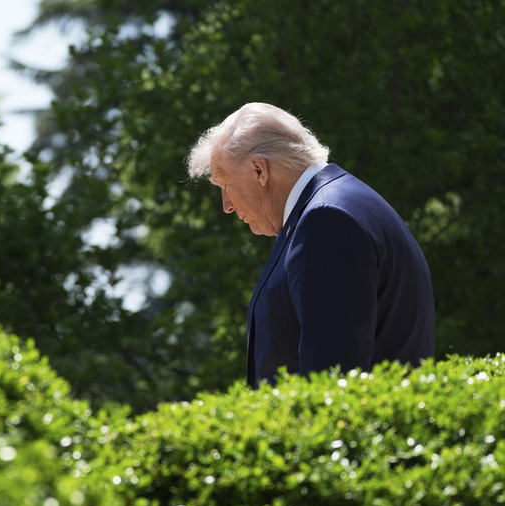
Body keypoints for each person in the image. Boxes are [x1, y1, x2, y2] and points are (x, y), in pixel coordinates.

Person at [186, 102, 435, 387]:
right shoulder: (333, 208)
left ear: (259, 170)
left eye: (224, 185)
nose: (226, 205)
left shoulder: (326, 221)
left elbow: (331, 381)